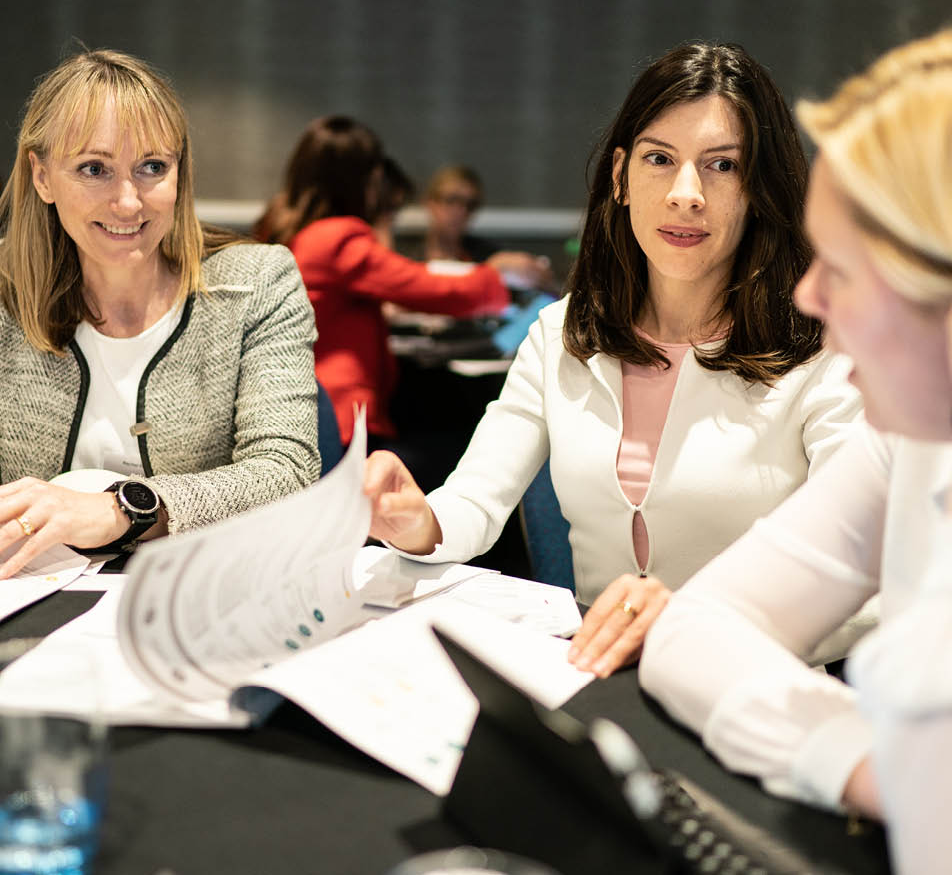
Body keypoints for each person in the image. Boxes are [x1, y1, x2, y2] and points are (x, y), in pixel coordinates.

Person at [365, 41, 863, 674]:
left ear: (759, 189)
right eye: (661, 159)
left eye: (722, 166)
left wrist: (696, 624)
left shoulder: (824, 351)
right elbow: (476, 502)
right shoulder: (562, 332)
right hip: (596, 683)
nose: (687, 193)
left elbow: (868, 576)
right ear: (623, 177)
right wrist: (416, 519)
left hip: (755, 690)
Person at [638, 28, 952, 875]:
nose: (810, 293)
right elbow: (695, 630)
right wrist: (870, 768)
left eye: (842, 271)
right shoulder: (911, 443)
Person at [0, 49, 320, 578]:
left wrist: (119, 510)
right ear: (42, 178)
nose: (128, 203)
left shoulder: (258, 283)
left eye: (152, 167)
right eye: (93, 169)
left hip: (202, 599)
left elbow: (287, 474)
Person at [256, 115, 511, 451]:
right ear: (363, 179)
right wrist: (499, 273)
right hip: (340, 412)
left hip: (302, 403)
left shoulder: (281, 227)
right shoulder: (336, 239)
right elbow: (433, 290)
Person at [423, 163, 555, 292]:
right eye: (452, 200)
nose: (461, 211)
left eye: (470, 204)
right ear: (430, 202)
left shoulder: (484, 252)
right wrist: (488, 271)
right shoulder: (406, 255)